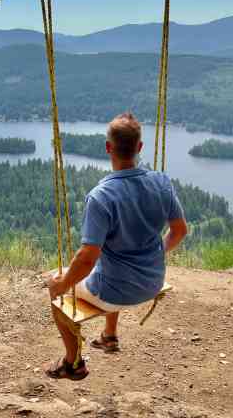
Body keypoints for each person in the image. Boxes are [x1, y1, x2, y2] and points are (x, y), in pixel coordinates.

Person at [44, 112, 188, 380]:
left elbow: (87, 257)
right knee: (109, 261)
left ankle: (72, 363)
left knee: (56, 285)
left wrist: (62, 285)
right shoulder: (161, 183)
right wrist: (153, 255)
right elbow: (179, 231)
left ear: (108, 148)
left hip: (115, 291)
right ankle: (109, 336)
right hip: (153, 282)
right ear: (139, 147)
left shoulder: (101, 197)